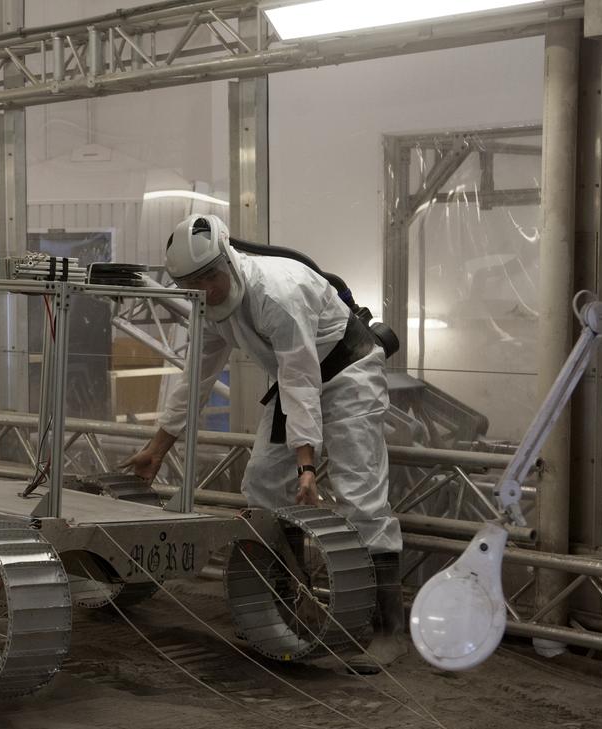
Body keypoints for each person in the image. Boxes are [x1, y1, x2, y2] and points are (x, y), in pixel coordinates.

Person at [122, 214, 403, 671]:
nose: (207, 289)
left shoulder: (278, 291)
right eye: (194, 283)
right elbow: (196, 377)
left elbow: (300, 380)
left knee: (360, 493)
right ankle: (288, 602)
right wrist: (157, 449)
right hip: (297, 380)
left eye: (211, 277)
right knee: (262, 486)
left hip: (349, 372)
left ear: (228, 259)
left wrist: (307, 466)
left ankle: (389, 630)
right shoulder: (210, 306)